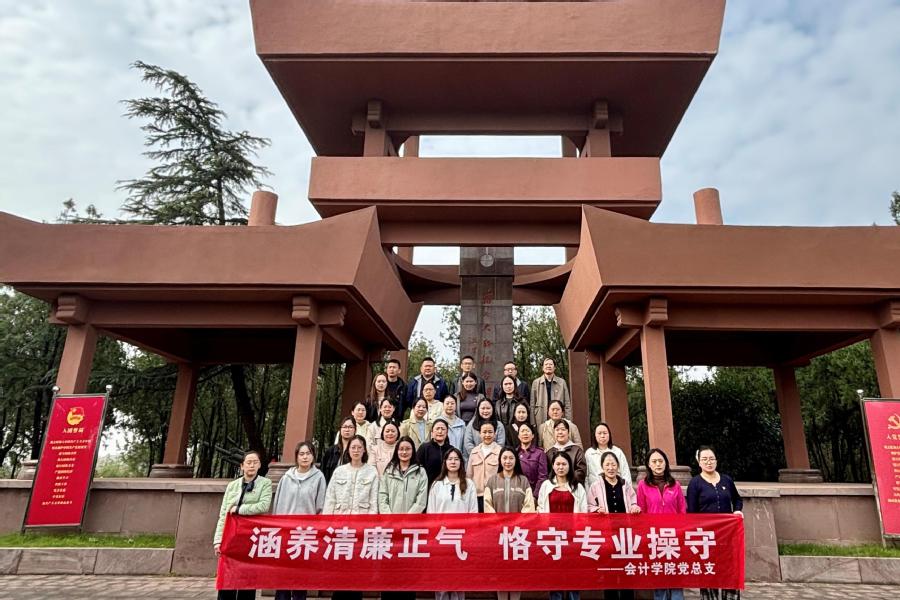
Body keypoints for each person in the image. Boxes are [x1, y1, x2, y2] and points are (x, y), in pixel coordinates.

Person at [214, 450, 273, 600]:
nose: (251, 465)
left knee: (247, 579)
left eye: (255, 462)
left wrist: (240, 509)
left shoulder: (265, 483)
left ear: (260, 465)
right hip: (231, 536)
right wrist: (218, 540)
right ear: (242, 466)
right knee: (228, 578)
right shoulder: (232, 486)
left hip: (251, 537)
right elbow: (223, 514)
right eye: (248, 462)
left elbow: (263, 506)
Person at [687, 446, 743, 600]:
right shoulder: (695, 483)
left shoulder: (726, 480)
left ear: (716, 461)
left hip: (727, 534)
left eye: (711, 459)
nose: (708, 462)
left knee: (729, 569)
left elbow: (737, 499)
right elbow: (692, 511)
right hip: (706, 536)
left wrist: (737, 511)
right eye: (704, 459)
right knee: (709, 570)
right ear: (699, 462)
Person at [272, 441, 326, 600]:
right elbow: (278, 504)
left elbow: (320, 507)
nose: (305, 457)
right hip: (286, 532)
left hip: (305, 535)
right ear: (296, 457)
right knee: (283, 575)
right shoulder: (286, 478)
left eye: (308, 453)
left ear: (313, 456)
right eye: (301, 454)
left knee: (300, 577)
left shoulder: (319, 477)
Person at [587, 452, 640, 600]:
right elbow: (589, 506)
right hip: (607, 534)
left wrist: (634, 507)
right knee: (609, 570)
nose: (611, 468)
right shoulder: (595, 486)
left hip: (625, 534)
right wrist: (597, 510)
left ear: (618, 466)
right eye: (607, 465)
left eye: (613, 464)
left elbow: (634, 501)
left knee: (626, 569)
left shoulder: (625, 485)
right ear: (602, 467)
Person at [427, 447, 478, 600]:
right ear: (445, 462)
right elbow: (431, 513)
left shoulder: (469, 484)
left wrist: (470, 536)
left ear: (461, 462)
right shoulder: (437, 485)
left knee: (458, 578)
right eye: (450, 459)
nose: (453, 462)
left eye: (456, 459)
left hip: (461, 539)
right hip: (441, 538)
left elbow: (473, 513)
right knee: (442, 578)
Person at [636, 448, 686, 600]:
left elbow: (682, 510)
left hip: (674, 536)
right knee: (659, 575)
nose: (658, 464)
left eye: (660, 461)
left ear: (665, 463)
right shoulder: (642, 485)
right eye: (654, 461)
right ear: (649, 465)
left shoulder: (675, 485)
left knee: (676, 575)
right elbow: (641, 511)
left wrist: (682, 532)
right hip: (654, 537)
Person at [537, 452, 586, 600]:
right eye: (557, 464)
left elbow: (583, 512)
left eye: (564, 464)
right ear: (553, 466)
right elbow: (540, 508)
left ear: (569, 466)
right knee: (555, 574)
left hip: (572, 536)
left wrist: (580, 532)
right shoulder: (546, 485)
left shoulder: (577, 487)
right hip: (552, 537)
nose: (560, 467)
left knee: (573, 573)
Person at [324, 434, 379, 516]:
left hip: (361, 518)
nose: (356, 450)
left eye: (359, 447)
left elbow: (374, 501)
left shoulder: (372, 472)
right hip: (339, 518)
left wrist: (370, 521)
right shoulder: (339, 471)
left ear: (364, 450)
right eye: (353, 447)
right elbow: (330, 499)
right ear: (348, 449)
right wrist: (327, 520)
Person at [379, 436, 429, 514]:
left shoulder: (420, 472)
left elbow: (421, 501)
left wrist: (408, 518)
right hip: (391, 519)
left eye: (408, 449)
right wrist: (389, 517)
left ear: (413, 450)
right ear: (397, 451)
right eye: (401, 449)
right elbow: (382, 496)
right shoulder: (389, 471)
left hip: (412, 519)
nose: (404, 452)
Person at [484, 447, 536, 515]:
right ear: (500, 460)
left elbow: (529, 506)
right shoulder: (492, 481)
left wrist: (520, 520)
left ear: (516, 460)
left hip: (519, 521)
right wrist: (496, 519)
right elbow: (487, 505)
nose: (508, 461)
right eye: (504, 458)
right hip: (497, 521)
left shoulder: (523, 481)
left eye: (511, 458)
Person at [466, 421, 503, 512]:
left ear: (495, 434)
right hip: (477, 495)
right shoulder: (474, 452)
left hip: (495, 495)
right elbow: (469, 475)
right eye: (484, 432)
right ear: (480, 434)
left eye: (490, 432)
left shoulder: (500, 452)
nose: (487, 435)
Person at [585, 422, 630, 489]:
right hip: (596, 490)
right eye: (599, 433)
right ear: (594, 436)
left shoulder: (617, 452)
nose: (602, 436)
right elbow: (586, 477)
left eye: (605, 433)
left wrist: (627, 490)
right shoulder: (589, 453)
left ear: (609, 435)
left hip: (616, 489)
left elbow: (626, 473)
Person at [531, 357, 572, 425]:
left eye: (550, 364)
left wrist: (568, 421)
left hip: (558, 416)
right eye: (546, 364)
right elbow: (532, 404)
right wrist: (533, 422)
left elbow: (567, 404)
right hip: (540, 417)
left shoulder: (562, 382)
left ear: (554, 367)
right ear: (542, 368)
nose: (548, 366)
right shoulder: (536, 383)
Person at [545, 419, 587, 485]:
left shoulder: (577, 450)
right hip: (554, 486)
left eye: (563, 429)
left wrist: (566, 482)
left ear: (568, 432)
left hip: (573, 486)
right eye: (557, 430)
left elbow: (581, 472)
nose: (560, 432)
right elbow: (547, 472)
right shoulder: (549, 452)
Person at [417, 418, 453, 484]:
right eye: (437, 429)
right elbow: (417, 468)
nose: (440, 431)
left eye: (443, 429)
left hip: (447, 486)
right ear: (432, 432)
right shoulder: (424, 448)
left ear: (447, 432)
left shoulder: (451, 449)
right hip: (428, 485)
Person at [321, 416, 356, 483]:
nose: (347, 429)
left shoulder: (356, 452)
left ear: (355, 430)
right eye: (344, 427)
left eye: (350, 427)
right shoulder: (330, 451)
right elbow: (323, 472)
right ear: (340, 430)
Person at [516, 422, 547, 496]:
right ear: (518, 436)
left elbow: (542, 477)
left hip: (534, 493)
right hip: (518, 493)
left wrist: (535, 496)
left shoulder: (540, 453)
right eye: (522, 431)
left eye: (527, 431)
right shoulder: (515, 453)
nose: (525, 433)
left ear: (533, 435)